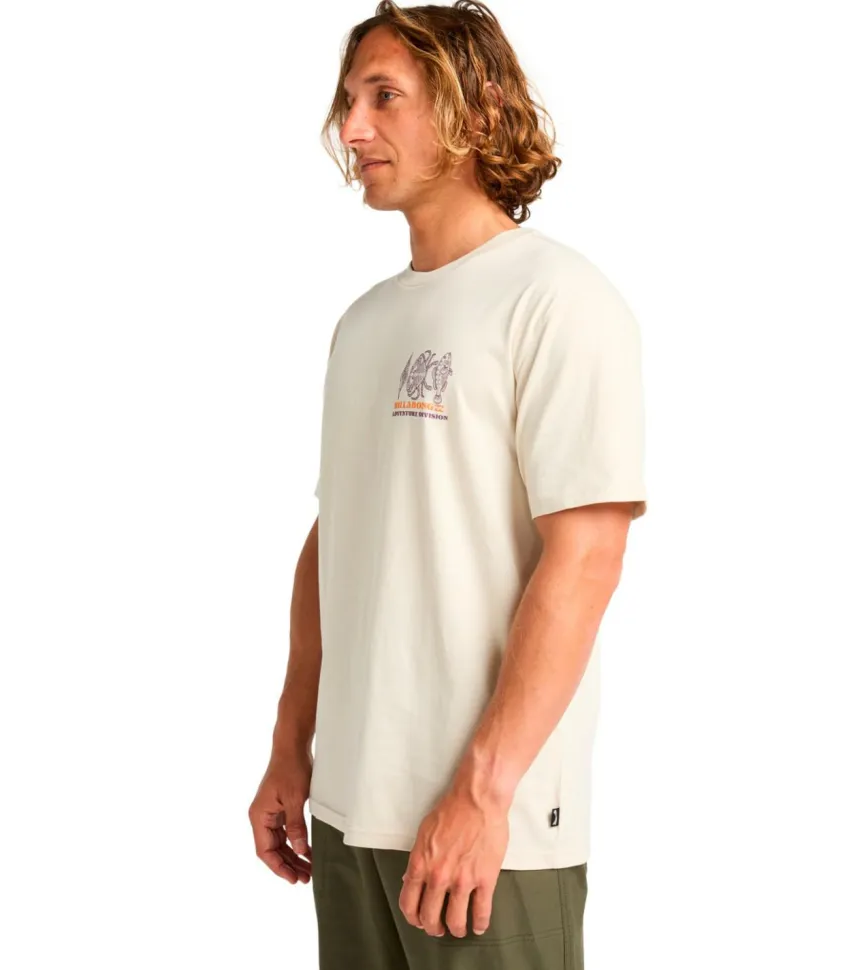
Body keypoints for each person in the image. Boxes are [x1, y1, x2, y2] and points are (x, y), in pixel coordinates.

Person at [248, 2, 648, 966]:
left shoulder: (557, 299)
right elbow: (335, 544)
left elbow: (587, 556)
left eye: (385, 97)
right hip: (349, 814)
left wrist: (483, 791)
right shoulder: (363, 324)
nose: (352, 129)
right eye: (349, 100)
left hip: (487, 835)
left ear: (474, 108)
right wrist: (291, 744)